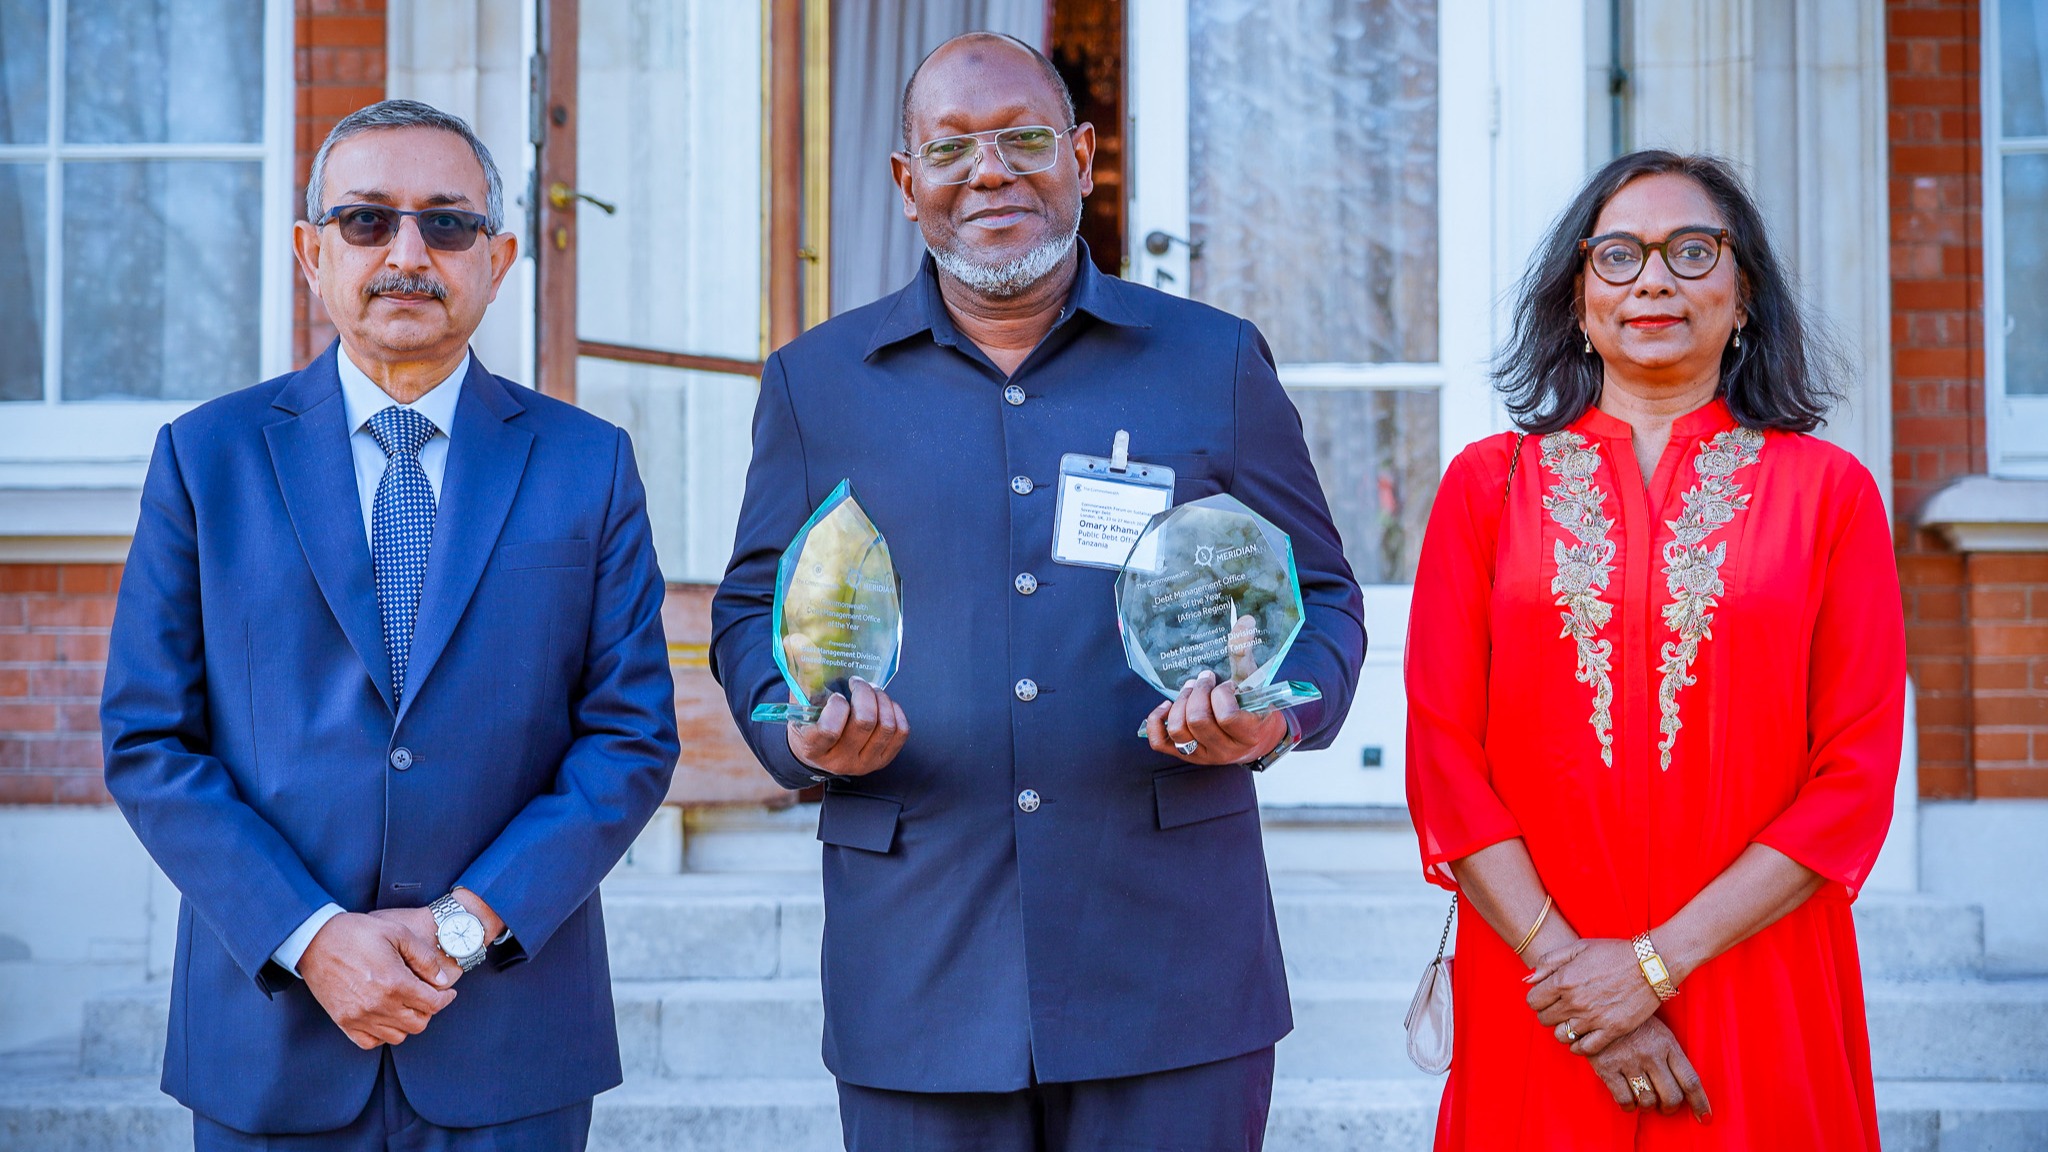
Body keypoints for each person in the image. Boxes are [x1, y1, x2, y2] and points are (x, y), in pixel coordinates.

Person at [710, 32, 1364, 1152]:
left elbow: (1322, 594)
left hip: (1170, 960)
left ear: (1082, 157)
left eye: (1022, 139)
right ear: (907, 181)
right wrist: (799, 730)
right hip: (916, 959)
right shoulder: (817, 383)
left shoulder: (1211, 361)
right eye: (950, 148)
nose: (990, 172)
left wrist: (1276, 713)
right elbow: (752, 612)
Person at [99, 99, 680, 1151]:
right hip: (270, 1038)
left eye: (446, 224)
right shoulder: (204, 458)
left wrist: (462, 926)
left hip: (508, 1039)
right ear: (310, 252)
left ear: (498, 259)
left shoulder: (588, 464)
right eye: (367, 220)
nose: (408, 254)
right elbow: (149, 741)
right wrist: (313, 937)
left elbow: (629, 737)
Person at [1404, 149, 1906, 1150]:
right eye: (1619, 255)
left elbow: (1853, 777)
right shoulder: (1487, 488)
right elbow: (1443, 760)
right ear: (1578, 296)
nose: (1653, 280)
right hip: (1540, 983)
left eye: (1691, 251)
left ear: (1744, 293)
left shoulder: (1828, 494)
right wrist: (1576, 977)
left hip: (1753, 968)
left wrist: (1650, 966)